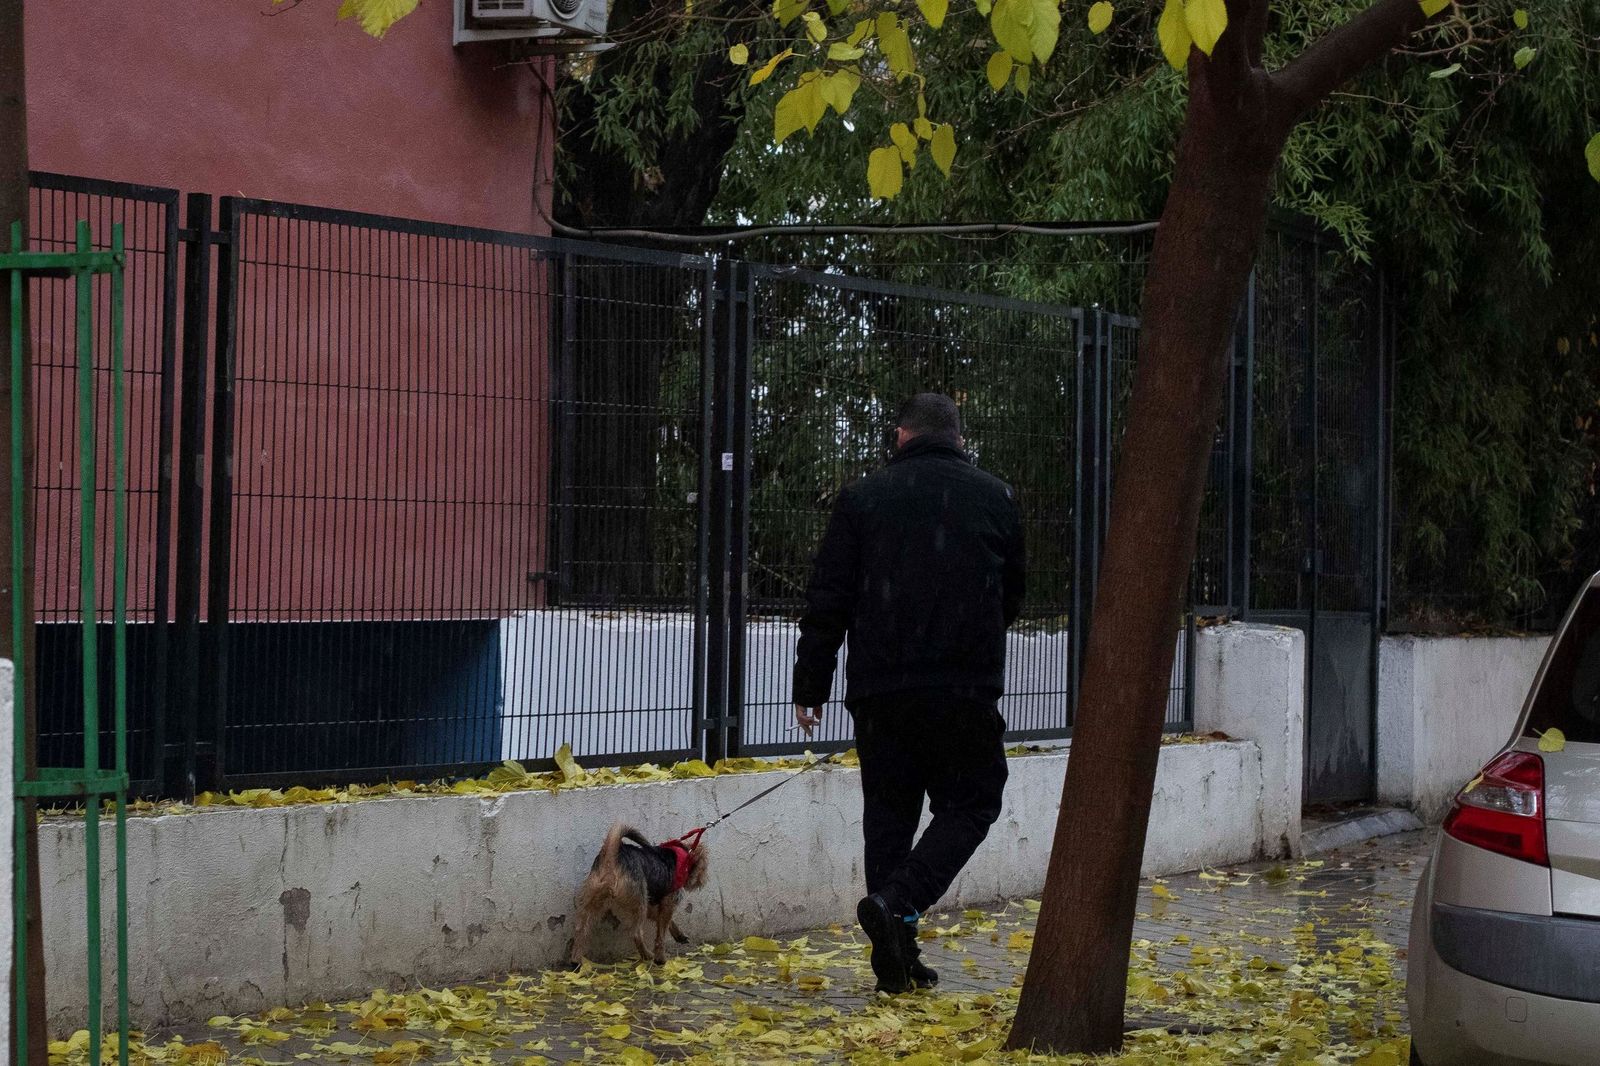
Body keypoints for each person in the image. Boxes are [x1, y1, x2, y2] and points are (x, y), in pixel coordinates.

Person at [792, 392, 1026, 994]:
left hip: (882, 693)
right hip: (962, 691)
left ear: (901, 436)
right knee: (973, 802)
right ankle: (899, 912)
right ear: (959, 439)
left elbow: (829, 600)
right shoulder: (994, 497)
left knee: (889, 822)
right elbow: (1015, 597)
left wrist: (810, 685)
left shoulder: (862, 499)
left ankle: (895, 946)